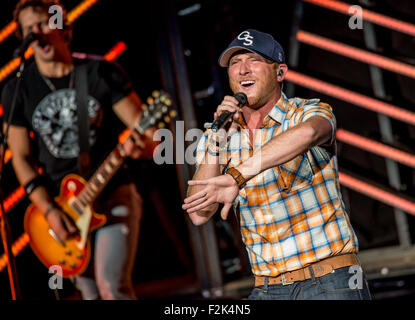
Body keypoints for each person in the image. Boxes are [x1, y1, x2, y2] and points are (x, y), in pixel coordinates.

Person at [182, 29, 372, 300]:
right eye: (235, 63)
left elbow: (308, 134)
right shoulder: (220, 135)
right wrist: (217, 135)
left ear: (280, 72)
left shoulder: (306, 112)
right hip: (267, 289)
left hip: (329, 281)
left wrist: (236, 176)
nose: (243, 70)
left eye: (254, 60)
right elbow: (198, 214)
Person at [2, 0, 156, 300]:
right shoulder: (17, 89)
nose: (38, 33)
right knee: (89, 294)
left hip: (112, 192)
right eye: (29, 29)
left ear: (64, 27)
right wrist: (49, 210)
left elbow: (150, 134)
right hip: (62, 205)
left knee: (113, 287)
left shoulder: (100, 72)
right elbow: (20, 157)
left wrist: (144, 146)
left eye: (44, 23)